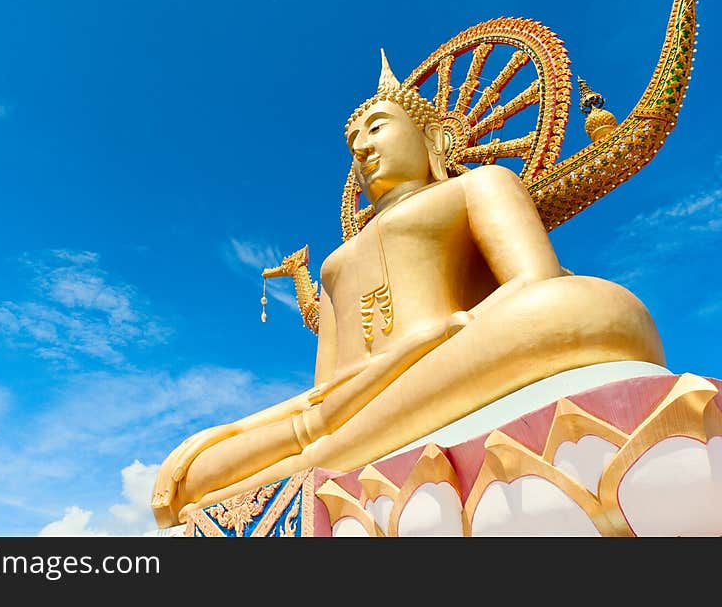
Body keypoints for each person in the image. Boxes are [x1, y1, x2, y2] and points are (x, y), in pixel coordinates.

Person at [150, 52, 665, 529]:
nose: (360, 146)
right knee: (195, 471)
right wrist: (222, 436)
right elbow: (322, 391)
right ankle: (316, 458)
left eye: (376, 127)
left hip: (447, 361)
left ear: (434, 140)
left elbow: (534, 285)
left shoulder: (479, 185)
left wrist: (433, 341)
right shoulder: (335, 263)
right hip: (349, 406)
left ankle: (314, 467)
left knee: (587, 310)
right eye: (353, 140)